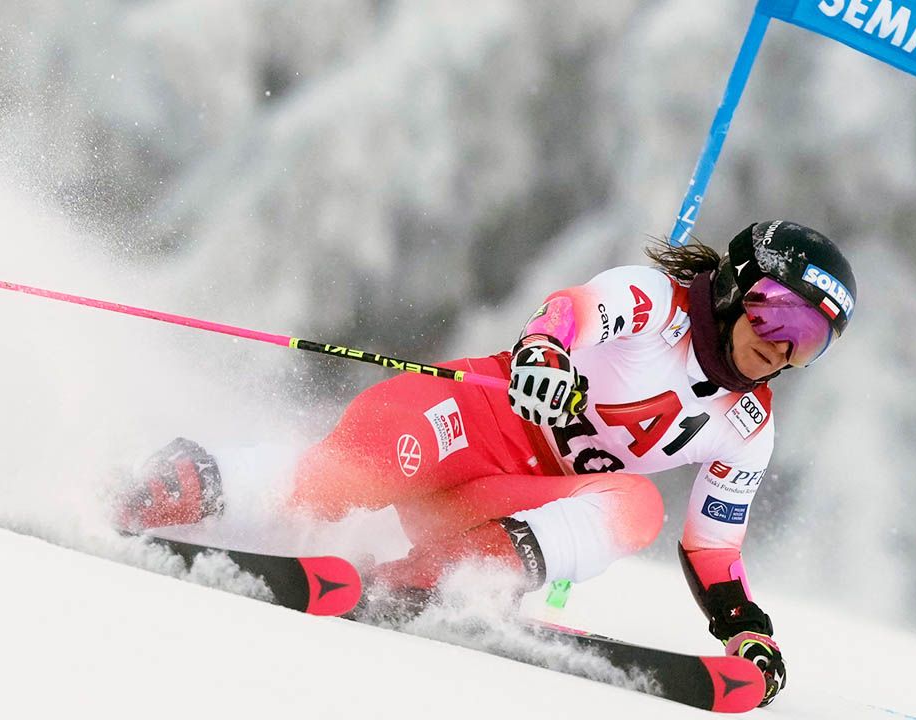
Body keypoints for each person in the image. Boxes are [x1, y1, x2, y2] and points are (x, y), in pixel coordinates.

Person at [116, 219, 857, 708]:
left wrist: (745, 628)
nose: (782, 348)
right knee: (344, 480)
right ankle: (195, 481)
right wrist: (544, 354)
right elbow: (570, 311)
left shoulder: (748, 427)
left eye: (811, 342)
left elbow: (713, 547)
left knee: (636, 505)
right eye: (779, 315)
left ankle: (436, 579)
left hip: (502, 499)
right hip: (469, 419)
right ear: (733, 285)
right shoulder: (653, 301)